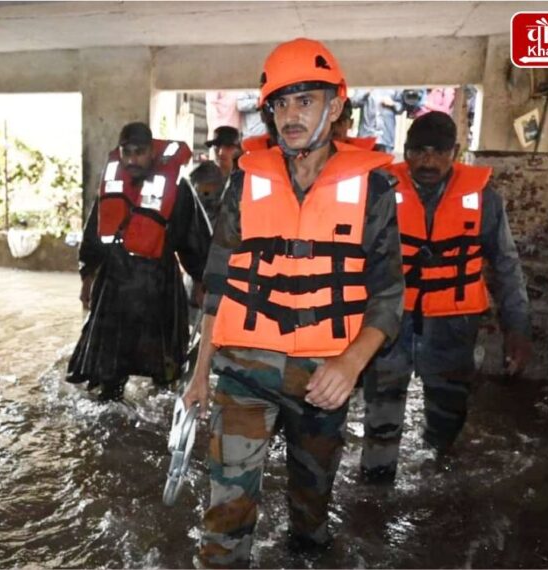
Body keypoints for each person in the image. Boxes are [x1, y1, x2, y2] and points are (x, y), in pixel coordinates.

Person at [183, 38, 404, 567]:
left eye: (305, 100)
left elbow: (389, 297)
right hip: (243, 371)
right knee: (225, 514)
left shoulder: (372, 189)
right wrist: (199, 373)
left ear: (335, 106)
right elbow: (218, 284)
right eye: (280, 103)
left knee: (311, 513)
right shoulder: (245, 182)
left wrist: (350, 365)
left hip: (322, 378)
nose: (291, 115)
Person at [360, 111, 531, 482]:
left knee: (448, 413)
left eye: (438, 152)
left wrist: (517, 328)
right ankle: (375, 487)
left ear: (455, 152)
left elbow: (506, 264)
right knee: (381, 409)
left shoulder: (485, 201)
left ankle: (439, 480)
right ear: (405, 152)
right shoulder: (380, 192)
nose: (428, 160)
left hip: (453, 323)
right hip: (391, 320)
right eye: (419, 151)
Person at [66, 122, 211, 401]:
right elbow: (93, 237)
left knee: (165, 371)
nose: (132, 159)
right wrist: (87, 277)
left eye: (139, 152)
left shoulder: (178, 190)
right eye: (127, 152)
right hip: (114, 282)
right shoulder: (111, 187)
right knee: (107, 374)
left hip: (160, 284)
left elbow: (194, 238)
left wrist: (202, 281)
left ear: (152, 153)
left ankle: (163, 417)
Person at [350, 88, 405, 153]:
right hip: (366, 136)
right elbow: (353, 103)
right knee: (365, 162)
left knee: (384, 162)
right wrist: (366, 92)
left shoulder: (394, 86)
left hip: (385, 137)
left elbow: (401, 108)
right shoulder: (365, 85)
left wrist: (392, 104)